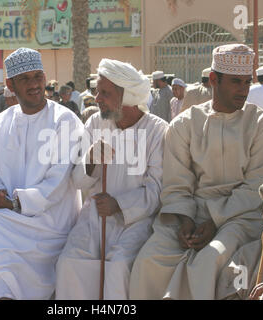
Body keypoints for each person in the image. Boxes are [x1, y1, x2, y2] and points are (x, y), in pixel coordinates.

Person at [129, 44, 263, 300]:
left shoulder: (261, 124)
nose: (243, 90)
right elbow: (176, 183)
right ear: (213, 79)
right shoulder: (184, 125)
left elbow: (257, 187)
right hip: (189, 213)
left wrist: (214, 221)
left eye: (246, 82)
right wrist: (186, 219)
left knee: (209, 260)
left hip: (241, 216)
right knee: (149, 260)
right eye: (235, 82)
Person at [0, 47, 83, 300]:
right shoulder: (0, 122)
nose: (34, 84)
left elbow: (58, 182)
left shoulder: (65, 120)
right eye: (25, 79)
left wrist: (14, 201)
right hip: (11, 216)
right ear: (10, 84)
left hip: (51, 221)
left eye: (38, 76)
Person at [55, 58, 166, 300]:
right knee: (69, 262)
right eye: (97, 91)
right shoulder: (96, 122)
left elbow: (157, 189)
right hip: (95, 216)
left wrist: (119, 205)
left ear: (126, 96)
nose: (96, 99)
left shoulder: (158, 131)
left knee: (118, 267)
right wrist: (91, 158)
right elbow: (77, 181)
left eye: (104, 93)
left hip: (136, 221)